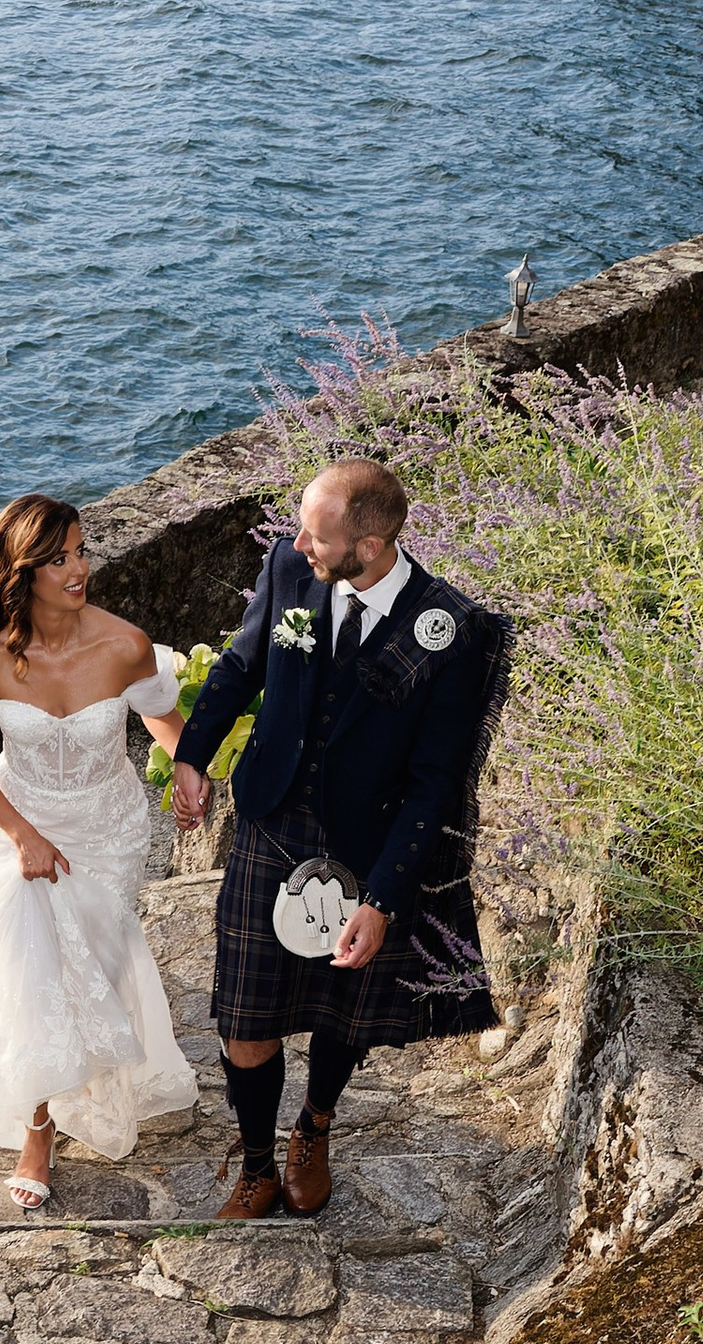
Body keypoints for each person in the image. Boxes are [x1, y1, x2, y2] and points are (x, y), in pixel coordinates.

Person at [169, 455, 498, 1219]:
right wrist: (191, 754)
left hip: (366, 838)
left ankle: (313, 1125)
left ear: (370, 546)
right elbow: (241, 666)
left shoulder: (450, 630)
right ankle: (256, 1163)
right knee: (244, 1015)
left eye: (316, 536)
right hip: (271, 819)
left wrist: (383, 899)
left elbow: (436, 782)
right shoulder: (291, 567)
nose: (297, 546)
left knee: (340, 1011)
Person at [0, 493, 201, 1211]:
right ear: (23, 570)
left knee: (96, 968)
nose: (79, 569)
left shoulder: (124, 645)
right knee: (29, 970)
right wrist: (22, 833)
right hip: (17, 821)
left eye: (82, 551)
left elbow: (167, 722)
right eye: (58, 559)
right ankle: (38, 1127)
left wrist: (188, 770)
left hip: (108, 828)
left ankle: (81, 1085)